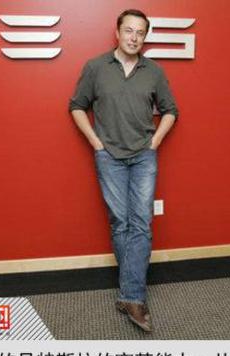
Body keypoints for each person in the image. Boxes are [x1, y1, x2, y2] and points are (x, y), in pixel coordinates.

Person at [69, 9, 178, 332]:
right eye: (129, 30)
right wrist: (96, 143)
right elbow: (76, 106)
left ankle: (132, 297)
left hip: (143, 156)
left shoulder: (154, 71)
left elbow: (171, 111)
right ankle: (130, 295)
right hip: (110, 156)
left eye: (140, 33)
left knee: (141, 223)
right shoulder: (96, 67)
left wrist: (155, 142)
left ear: (145, 37)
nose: (134, 37)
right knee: (120, 223)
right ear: (117, 33)